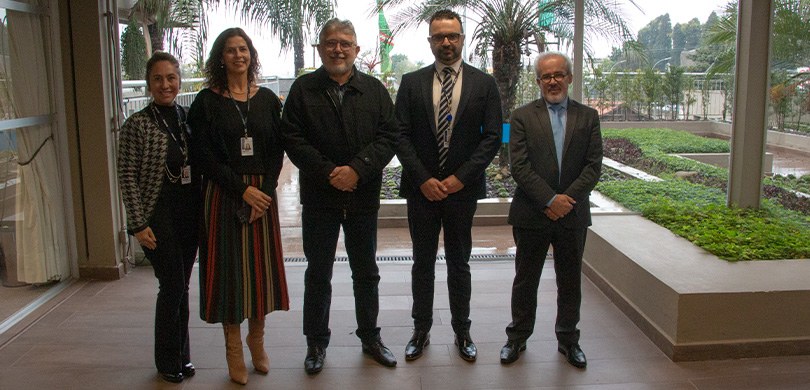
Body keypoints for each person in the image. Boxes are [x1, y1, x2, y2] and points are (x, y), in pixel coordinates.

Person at [281, 18, 398, 374]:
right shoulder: (303, 90)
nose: (338, 49)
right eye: (331, 43)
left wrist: (357, 169)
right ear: (320, 48)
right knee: (318, 271)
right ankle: (316, 343)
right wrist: (330, 172)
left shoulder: (375, 90)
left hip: (362, 197)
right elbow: (292, 138)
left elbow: (389, 137)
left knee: (366, 271)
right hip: (320, 197)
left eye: (345, 43)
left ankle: (370, 337)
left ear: (357, 50)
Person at [394, 9, 503, 362]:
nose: (446, 42)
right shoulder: (411, 83)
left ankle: (462, 330)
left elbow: (491, 138)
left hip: (462, 192)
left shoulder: (484, 84)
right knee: (421, 262)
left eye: (452, 36)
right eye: (439, 36)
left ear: (462, 38)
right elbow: (400, 135)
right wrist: (423, 179)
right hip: (421, 192)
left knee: (460, 263)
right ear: (430, 41)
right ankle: (420, 330)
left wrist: (460, 178)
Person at [187, 28, 289, 385]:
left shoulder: (268, 101)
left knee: (261, 273)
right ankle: (233, 348)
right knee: (230, 273)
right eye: (230, 50)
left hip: (263, 194)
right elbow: (202, 156)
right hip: (224, 195)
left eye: (243, 49)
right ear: (220, 58)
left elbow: (278, 150)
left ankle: (256, 340)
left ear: (251, 54)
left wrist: (267, 191)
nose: (238, 55)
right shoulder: (205, 102)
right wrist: (241, 191)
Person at [499, 52, 602, 368]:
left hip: (572, 214)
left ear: (570, 77)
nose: (553, 80)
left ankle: (569, 340)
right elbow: (520, 166)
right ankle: (517, 338)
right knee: (525, 279)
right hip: (532, 213)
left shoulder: (588, 116)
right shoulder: (521, 116)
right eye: (546, 76)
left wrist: (565, 200)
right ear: (538, 81)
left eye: (559, 74)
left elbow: (593, 166)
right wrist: (548, 200)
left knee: (570, 280)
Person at [117, 51, 200, 383]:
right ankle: (167, 361)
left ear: (179, 81)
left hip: (188, 212)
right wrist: (138, 224)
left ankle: (183, 355)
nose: (165, 85)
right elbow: (127, 177)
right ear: (149, 84)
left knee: (181, 286)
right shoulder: (136, 124)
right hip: (156, 213)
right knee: (172, 285)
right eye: (158, 79)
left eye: (171, 78)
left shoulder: (187, 117)